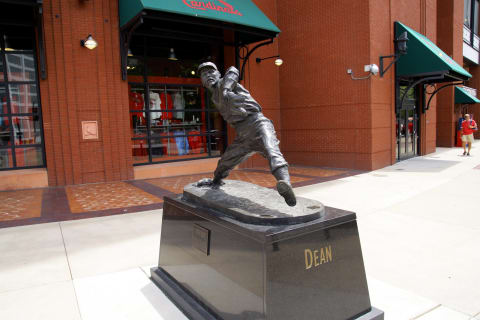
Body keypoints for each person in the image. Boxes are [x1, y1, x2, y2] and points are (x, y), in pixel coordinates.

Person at [196, 62, 297, 207]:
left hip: (258, 123)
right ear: (202, 82)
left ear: (219, 74)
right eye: (204, 75)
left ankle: (286, 185)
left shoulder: (226, 82)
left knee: (272, 151)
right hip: (243, 136)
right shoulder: (214, 98)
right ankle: (216, 181)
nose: (208, 76)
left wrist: (226, 89)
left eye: (211, 72)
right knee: (224, 163)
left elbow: (233, 70)